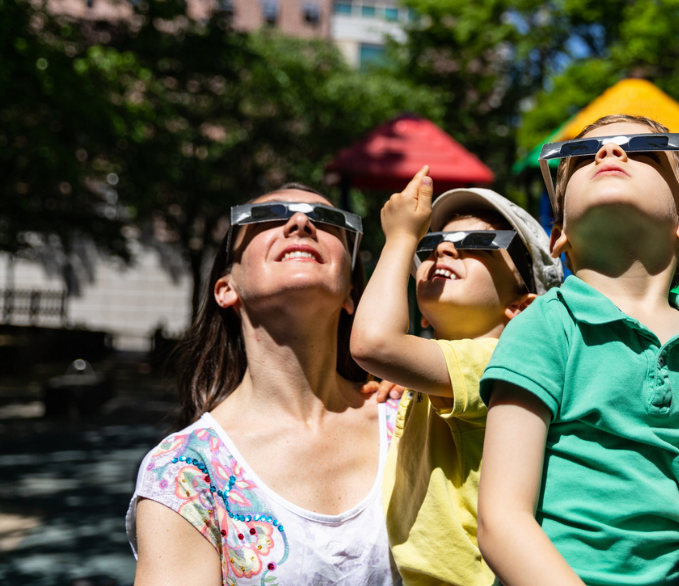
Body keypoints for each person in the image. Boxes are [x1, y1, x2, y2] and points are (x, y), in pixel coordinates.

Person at [476, 115, 679, 586]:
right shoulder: (545, 324)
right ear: (559, 235)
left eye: (644, 149)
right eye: (583, 156)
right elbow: (502, 519)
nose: (609, 153)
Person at [127, 183, 400, 586]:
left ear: (351, 295)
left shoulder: (414, 421)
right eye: (267, 217)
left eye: (327, 219)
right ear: (226, 288)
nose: (301, 222)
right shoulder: (184, 472)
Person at [350, 166, 562, 586]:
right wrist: (404, 376)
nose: (443, 250)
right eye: (429, 244)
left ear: (520, 307)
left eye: (478, 242)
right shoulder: (435, 379)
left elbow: (373, 344)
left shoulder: (506, 361)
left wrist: (400, 238)